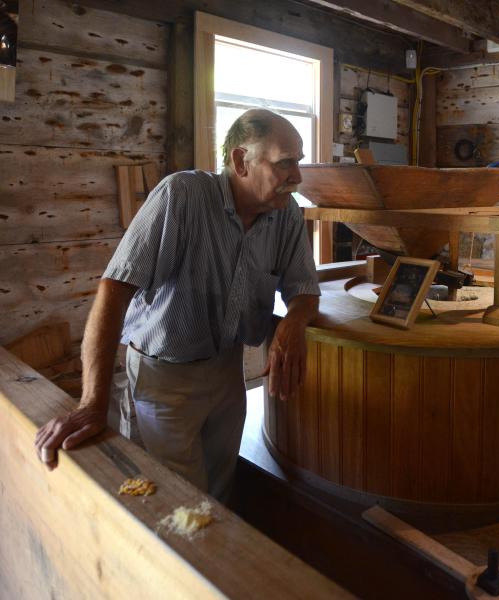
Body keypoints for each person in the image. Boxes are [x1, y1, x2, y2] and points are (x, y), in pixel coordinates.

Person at [33, 109, 320, 501]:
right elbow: (113, 291)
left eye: (298, 162)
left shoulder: (285, 213)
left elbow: (304, 286)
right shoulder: (180, 196)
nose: (297, 177)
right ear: (241, 162)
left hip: (226, 372)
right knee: (173, 503)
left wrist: (294, 322)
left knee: (220, 494)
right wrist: (93, 402)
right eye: (285, 163)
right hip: (163, 379)